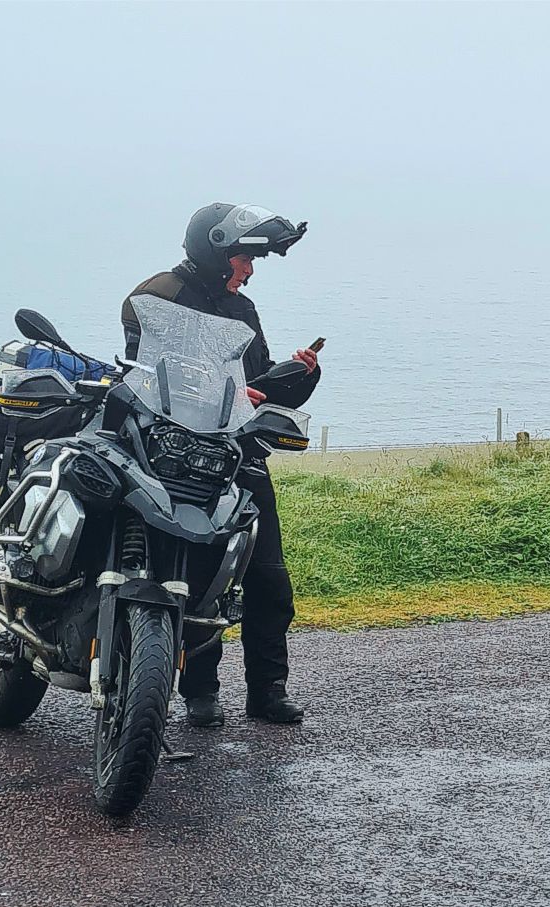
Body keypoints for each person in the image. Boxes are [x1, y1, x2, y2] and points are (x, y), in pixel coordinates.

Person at [121, 203, 320, 726]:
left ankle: (267, 691)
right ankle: (200, 692)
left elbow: (257, 382)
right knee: (197, 575)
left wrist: (298, 376)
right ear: (215, 252)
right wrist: (220, 388)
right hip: (177, 455)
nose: (249, 270)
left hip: (240, 454)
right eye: (244, 258)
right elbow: (147, 372)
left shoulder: (243, 310)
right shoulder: (158, 295)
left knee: (268, 578)